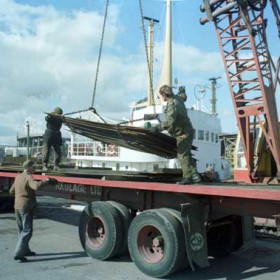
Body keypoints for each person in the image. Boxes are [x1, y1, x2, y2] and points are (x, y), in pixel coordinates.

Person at [149, 85, 201, 184]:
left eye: (161, 95)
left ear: (164, 95)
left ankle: (187, 177)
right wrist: (183, 91)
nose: (161, 98)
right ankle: (195, 175)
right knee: (187, 154)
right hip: (188, 130)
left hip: (183, 133)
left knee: (182, 155)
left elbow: (169, 121)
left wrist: (156, 128)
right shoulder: (178, 98)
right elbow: (183, 97)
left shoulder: (172, 104)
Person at [9, 160, 54, 262]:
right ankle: (18, 253)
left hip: (17, 206)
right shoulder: (28, 177)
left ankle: (25, 250)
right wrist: (46, 181)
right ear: (28, 167)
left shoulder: (18, 177)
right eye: (34, 167)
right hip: (26, 206)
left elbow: (11, 191)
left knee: (21, 230)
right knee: (27, 231)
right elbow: (36, 186)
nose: (35, 169)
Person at [42, 107, 63, 171]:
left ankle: (56, 165)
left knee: (57, 151)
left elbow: (63, 120)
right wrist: (50, 115)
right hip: (49, 134)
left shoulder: (60, 118)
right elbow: (46, 118)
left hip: (57, 135)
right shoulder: (50, 117)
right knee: (46, 151)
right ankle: (45, 165)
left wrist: (62, 118)